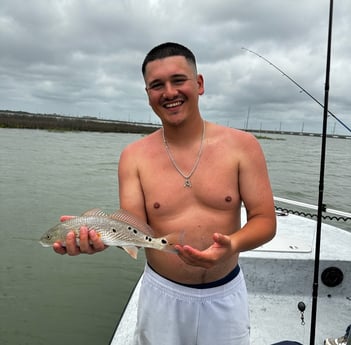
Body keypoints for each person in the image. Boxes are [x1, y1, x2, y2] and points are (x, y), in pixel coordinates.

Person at [53, 42, 276, 345]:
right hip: (162, 295)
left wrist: (232, 243)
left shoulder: (243, 146)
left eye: (178, 80)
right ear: (148, 96)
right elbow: (130, 227)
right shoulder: (134, 157)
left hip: (225, 293)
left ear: (199, 84)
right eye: (157, 85)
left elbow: (265, 220)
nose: (169, 93)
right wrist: (97, 239)